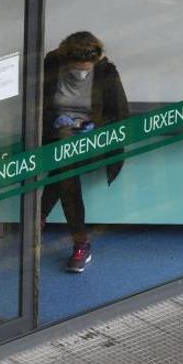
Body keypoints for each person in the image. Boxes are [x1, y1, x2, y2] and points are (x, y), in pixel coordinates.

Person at [40, 31, 129, 273]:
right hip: (54, 136)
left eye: (85, 70)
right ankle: (77, 241)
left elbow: (120, 115)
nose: (80, 74)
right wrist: (56, 120)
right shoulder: (51, 64)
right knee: (64, 166)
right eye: (75, 70)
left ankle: (66, 234)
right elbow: (37, 104)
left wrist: (91, 127)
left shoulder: (106, 73)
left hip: (92, 142)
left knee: (66, 170)